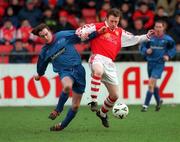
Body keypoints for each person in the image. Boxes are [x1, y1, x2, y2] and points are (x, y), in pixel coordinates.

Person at [77, 8, 155, 128]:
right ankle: (93, 101)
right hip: (97, 57)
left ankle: (102, 114)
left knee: (114, 96)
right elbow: (80, 31)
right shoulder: (97, 26)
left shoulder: (120, 32)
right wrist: (82, 34)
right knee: (98, 71)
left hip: (110, 64)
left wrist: (147, 36)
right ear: (106, 18)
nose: (114, 24)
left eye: (116, 21)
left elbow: (135, 38)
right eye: (112, 21)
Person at [32, 23, 105, 131]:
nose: (45, 37)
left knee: (75, 106)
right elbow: (42, 65)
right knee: (67, 86)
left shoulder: (63, 35)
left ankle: (62, 125)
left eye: (46, 34)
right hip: (64, 72)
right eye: (42, 36)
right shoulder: (45, 51)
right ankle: (58, 110)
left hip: (79, 70)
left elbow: (81, 36)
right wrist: (39, 75)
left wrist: (97, 33)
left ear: (49, 31)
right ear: (40, 37)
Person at [140, 20, 176, 112]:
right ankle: (159, 101)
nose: (158, 29)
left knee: (151, 83)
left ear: (164, 28)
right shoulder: (150, 38)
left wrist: (168, 55)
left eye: (160, 27)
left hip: (159, 63)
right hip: (150, 63)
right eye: (156, 27)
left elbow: (173, 49)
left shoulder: (168, 39)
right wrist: (146, 51)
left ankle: (145, 106)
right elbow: (142, 46)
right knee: (154, 84)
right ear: (154, 28)